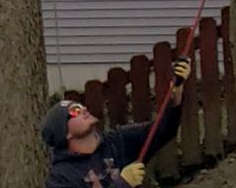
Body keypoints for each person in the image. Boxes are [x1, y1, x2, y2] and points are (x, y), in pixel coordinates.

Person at [41, 56, 191, 187]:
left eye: (81, 106)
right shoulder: (62, 177)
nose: (84, 110)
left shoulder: (119, 141)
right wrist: (123, 184)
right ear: (65, 134)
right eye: (75, 112)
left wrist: (176, 91)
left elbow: (163, 130)